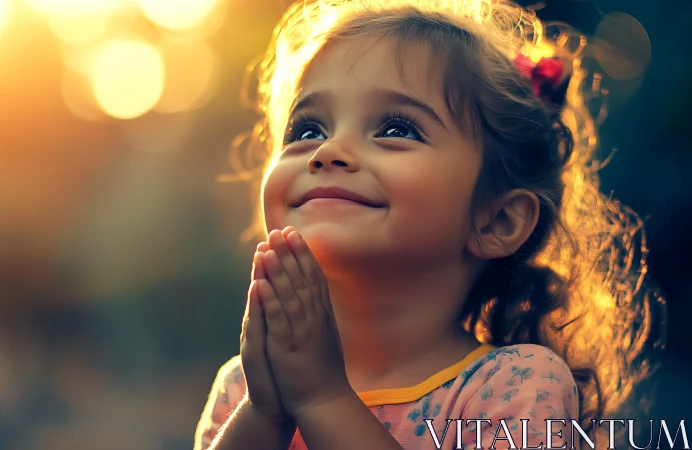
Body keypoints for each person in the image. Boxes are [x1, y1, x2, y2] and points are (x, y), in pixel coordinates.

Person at [195, 0, 665, 448]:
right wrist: (265, 414)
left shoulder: (516, 386)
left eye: (396, 129)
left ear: (498, 220)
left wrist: (321, 398)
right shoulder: (245, 385)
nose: (327, 150)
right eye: (308, 129)